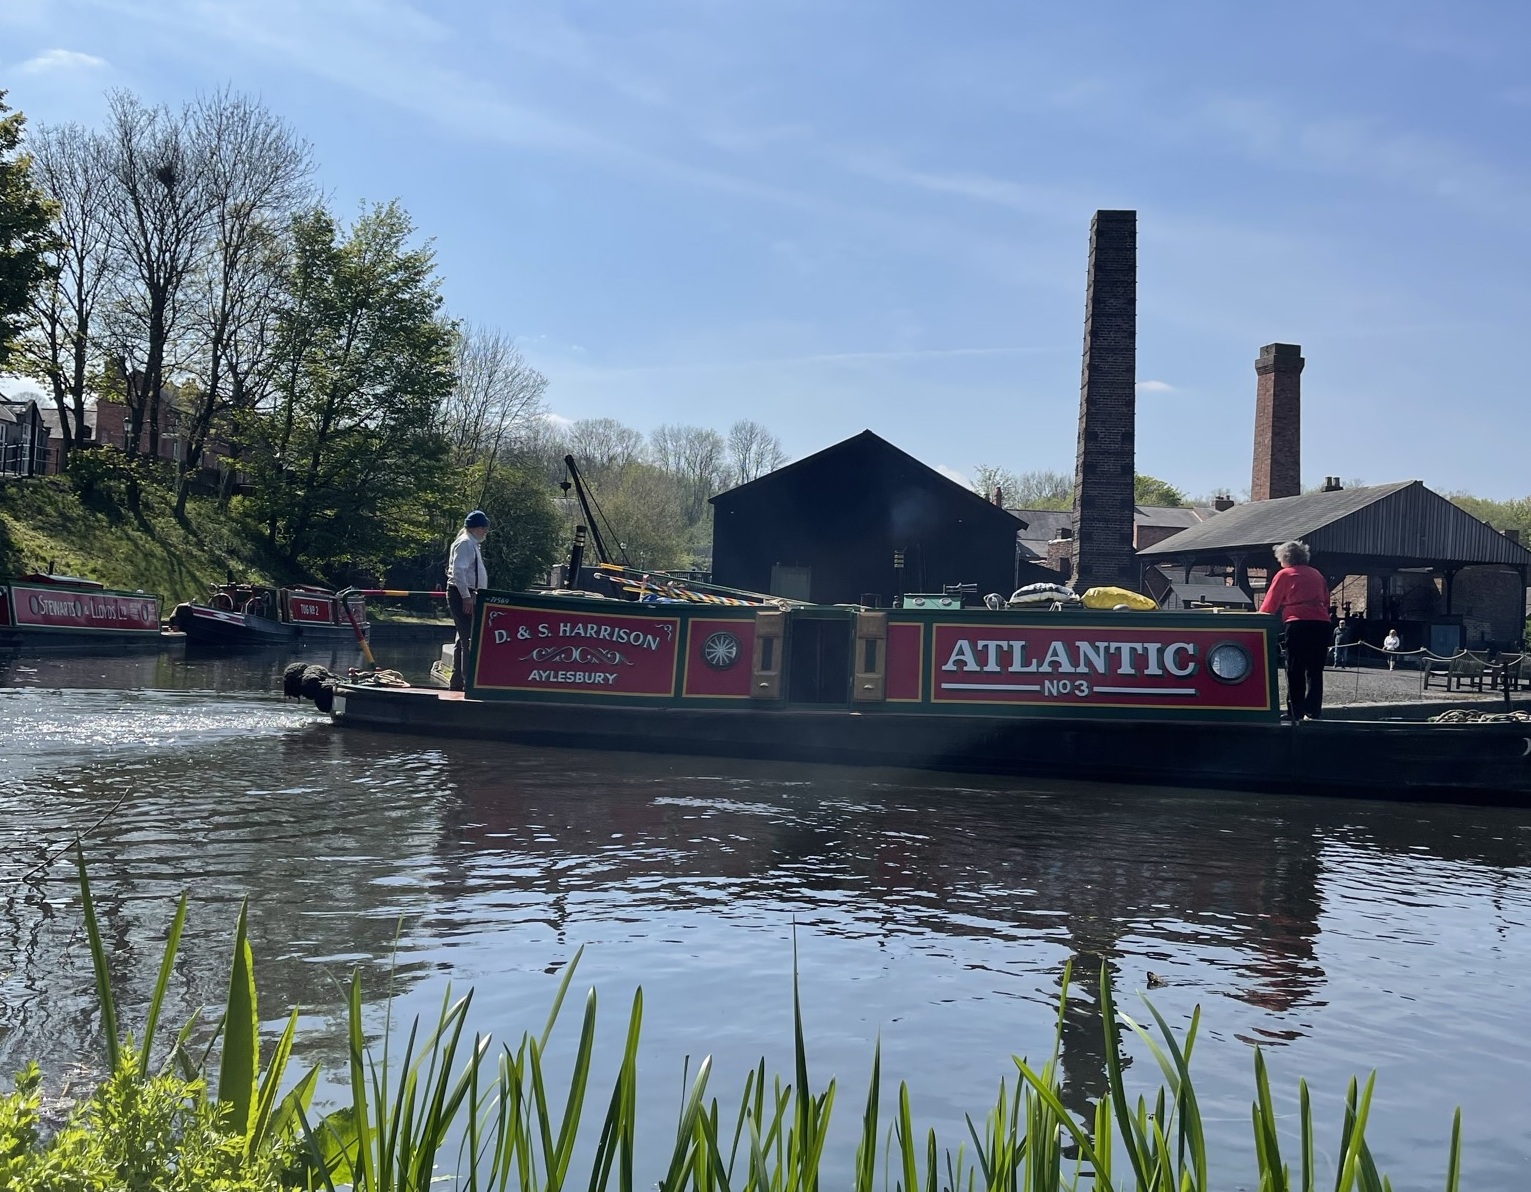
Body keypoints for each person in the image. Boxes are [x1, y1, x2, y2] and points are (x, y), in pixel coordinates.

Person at [1260, 539, 1331, 721]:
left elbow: (1270, 604)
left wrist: (1259, 618)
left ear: (1285, 558)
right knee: (1315, 670)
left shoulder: (1285, 574)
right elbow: (1326, 600)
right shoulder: (1317, 574)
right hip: (1321, 623)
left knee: (1294, 667)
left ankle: (1295, 711)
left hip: (1298, 622)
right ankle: (1314, 710)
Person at [446, 510, 490, 691]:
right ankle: (468, 682)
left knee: (462, 638)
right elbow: (458, 572)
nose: (485, 532)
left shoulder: (471, 544)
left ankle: (457, 681)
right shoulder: (465, 543)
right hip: (463, 594)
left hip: (470, 593)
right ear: (477, 528)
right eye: (483, 528)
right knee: (469, 638)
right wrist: (466, 597)